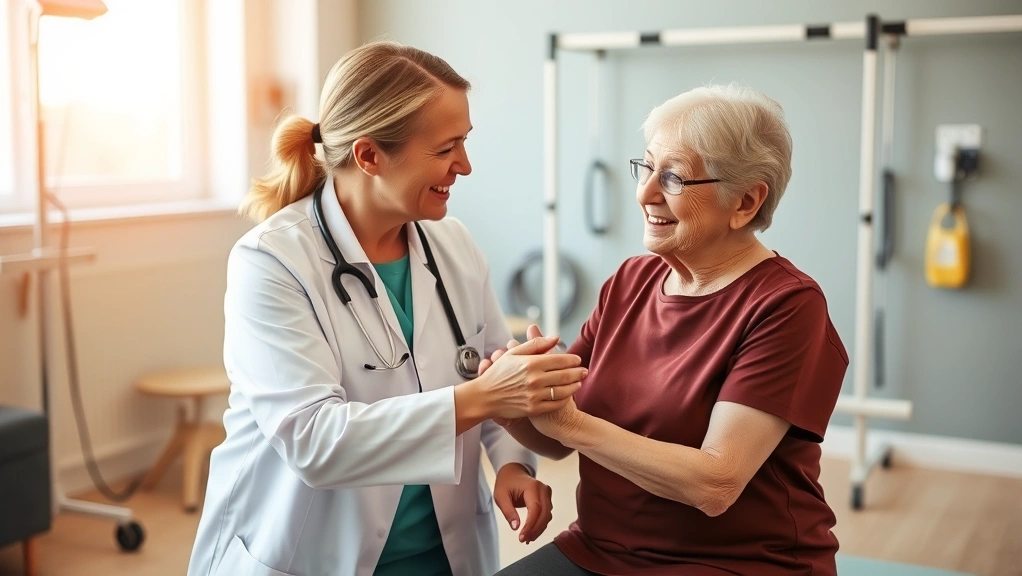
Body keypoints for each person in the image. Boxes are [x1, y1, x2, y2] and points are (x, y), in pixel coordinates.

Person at [186, 41, 588, 576]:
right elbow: (314, 441)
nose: (464, 166)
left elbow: (491, 369)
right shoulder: (271, 262)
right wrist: (487, 394)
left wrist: (512, 462)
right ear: (369, 155)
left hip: (442, 555)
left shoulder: (454, 245)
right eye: (446, 148)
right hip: (312, 554)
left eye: (464, 143)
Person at [493, 84, 849, 576]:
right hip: (601, 551)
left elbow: (716, 484)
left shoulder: (787, 305)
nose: (644, 194)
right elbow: (559, 438)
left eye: (675, 178)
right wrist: (512, 400)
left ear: (745, 201)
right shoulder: (630, 281)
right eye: (646, 167)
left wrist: (569, 423)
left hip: (739, 563)